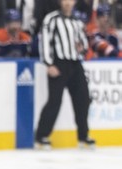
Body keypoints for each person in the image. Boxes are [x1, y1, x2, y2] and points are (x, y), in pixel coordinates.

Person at [34, 0, 95, 150]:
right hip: (58, 64)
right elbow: (45, 42)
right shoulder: (51, 19)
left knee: (83, 99)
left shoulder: (77, 21)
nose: (68, 3)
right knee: (54, 101)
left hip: (75, 64)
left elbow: (84, 43)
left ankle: (83, 136)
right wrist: (49, 64)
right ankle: (41, 136)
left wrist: (82, 48)